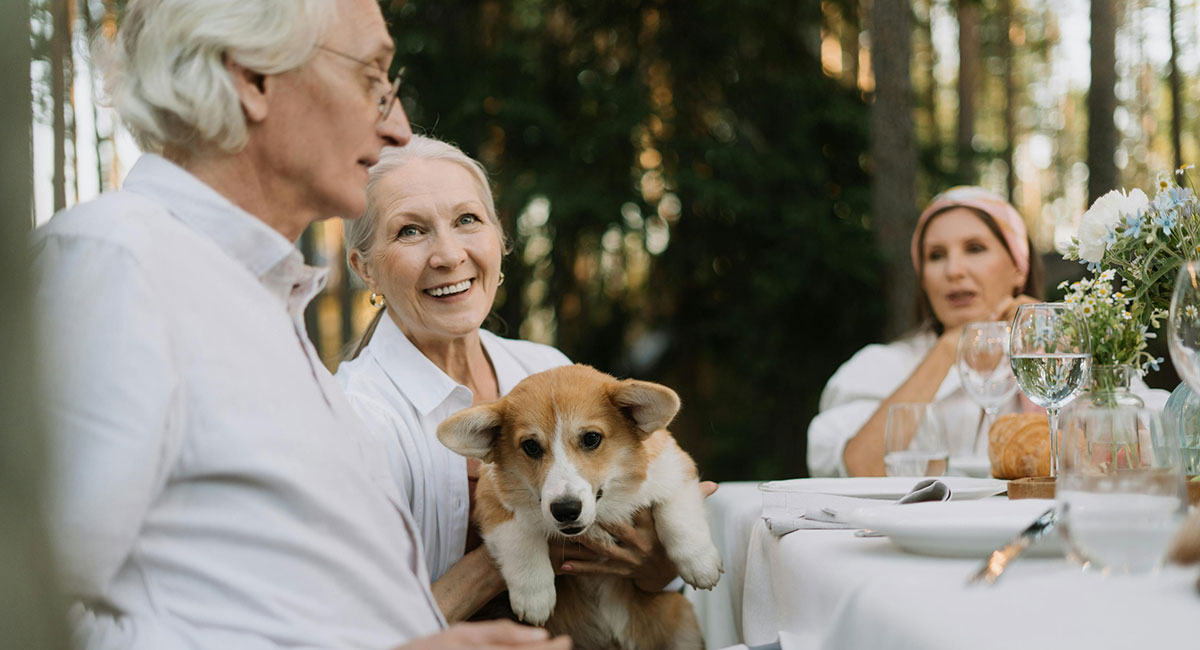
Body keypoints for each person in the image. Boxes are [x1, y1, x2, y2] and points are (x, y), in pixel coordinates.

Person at [31, 0, 567, 648]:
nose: (397, 126)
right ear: (252, 78)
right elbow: (35, 610)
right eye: (372, 78)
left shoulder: (259, 304)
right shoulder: (116, 263)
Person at [336, 135, 694, 623]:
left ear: (498, 239)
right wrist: (506, 554)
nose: (449, 255)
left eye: (467, 220)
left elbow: (655, 574)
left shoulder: (545, 367)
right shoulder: (351, 418)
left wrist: (656, 567)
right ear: (365, 269)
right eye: (410, 231)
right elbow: (353, 631)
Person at [807, 187, 1045, 478]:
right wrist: (947, 350)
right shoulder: (880, 366)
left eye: (974, 248)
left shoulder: (1059, 361)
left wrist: (1054, 344)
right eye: (936, 256)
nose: (953, 271)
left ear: (1019, 267)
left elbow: (1091, 465)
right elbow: (860, 469)